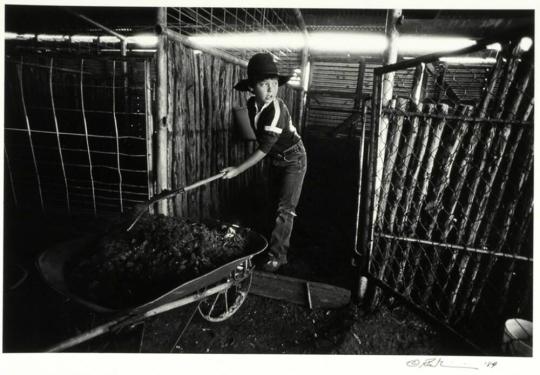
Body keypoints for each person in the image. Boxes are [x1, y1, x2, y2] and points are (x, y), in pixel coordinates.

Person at [221, 53, 307, 272]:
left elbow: (263, 148)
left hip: (294, 159)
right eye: (263, 84)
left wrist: (238, 169)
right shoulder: (252, 106)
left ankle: (277, 257)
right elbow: (261, 139)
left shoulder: (277, 111)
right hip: (275, 159)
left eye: (274, 84)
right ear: (251, 88)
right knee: (271, 202)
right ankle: (265, 242)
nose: (270, 91)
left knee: (285, 209)